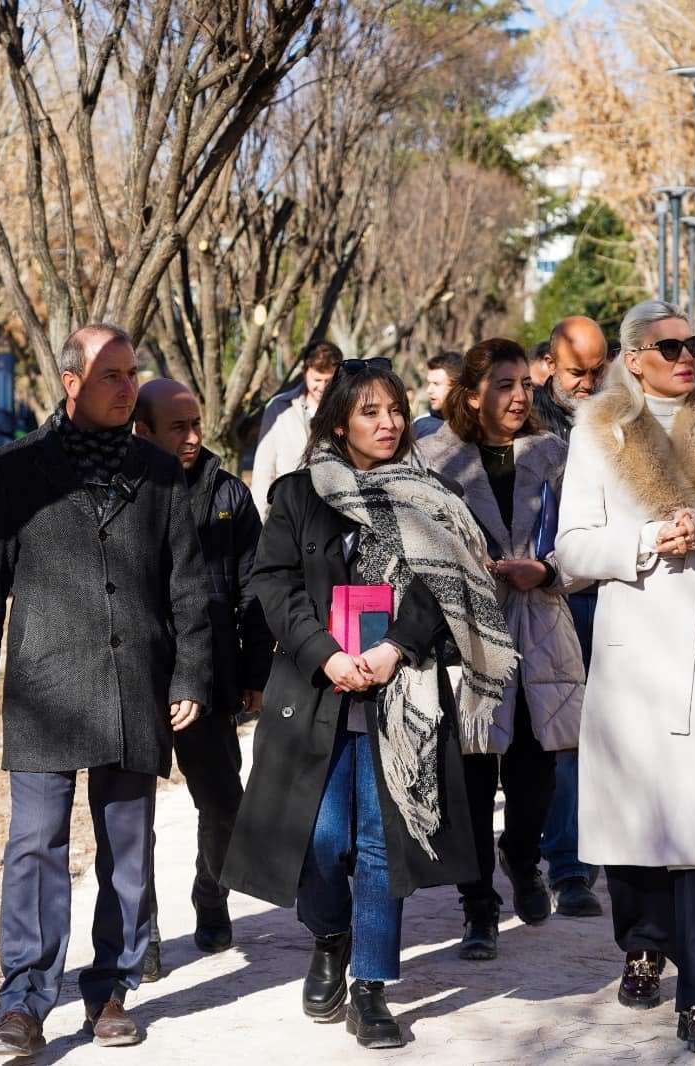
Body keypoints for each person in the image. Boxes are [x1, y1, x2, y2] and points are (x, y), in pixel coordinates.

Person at [221, 358, 515, 1050]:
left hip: (400, 694)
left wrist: (396, 650)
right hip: (316, 690)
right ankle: (329, 937)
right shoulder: (299, 495)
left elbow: (446, 590)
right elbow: (275, 584)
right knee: (321, 840)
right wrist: (324, 652)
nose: (386, 425)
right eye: (369, 413)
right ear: (339, 422)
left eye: (394, 411)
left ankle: (371, 988)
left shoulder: (433, 494)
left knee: (383, 844)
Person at [0, 324, 212, 1057]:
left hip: (136, 685)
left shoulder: (160, 473)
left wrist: (190, 672)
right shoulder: (16, 469)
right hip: (44, 686)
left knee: (128, 841)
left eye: (132, 374)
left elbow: (188, 585)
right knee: (34, 844)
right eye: (111, 376)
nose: (128, 387)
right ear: (71, 382)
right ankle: (23, 1004)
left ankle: (113, 990)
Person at [556, 300, 695, 1056]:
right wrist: (652, 538)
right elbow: (573, 550)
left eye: (693, 343)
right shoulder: (597, 429)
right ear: (634, 358)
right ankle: (644, 940)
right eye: (670, 346)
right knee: (638, 828)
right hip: (633, 651)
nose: (686, 355)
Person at [417, 338, 587, 959]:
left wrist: (544, 571)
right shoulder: (431, 457)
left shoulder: (553, 454)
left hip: (537, 623)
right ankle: (478, 908)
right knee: (468, 770)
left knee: (535, 764)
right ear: (471, 394)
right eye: (504, 386)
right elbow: (410, 543)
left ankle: (521, 854)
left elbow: (585, 541)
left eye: (524, 385)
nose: (520, 397)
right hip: (463, 631)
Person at [133, 378, 271, 961]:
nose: (193, 438)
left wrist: (255, 672)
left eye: (197, 424)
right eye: (177, 427)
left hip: (210, 677)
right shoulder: (121, 490)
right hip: (136, 677)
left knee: (222, 803)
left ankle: (211, 895)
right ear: (143, 430)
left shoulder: (227, 494)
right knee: (129, 816)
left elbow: (256, 591)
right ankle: (142, 934)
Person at [530, 315, 609, 919]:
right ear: (550, 366)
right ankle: (549, 860)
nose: (588, 382)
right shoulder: (523, 419)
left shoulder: (619, 419)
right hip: (541, 594)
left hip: (606, 590)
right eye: (578, 372)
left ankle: (577, 862)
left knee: (592, 735)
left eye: (598, 370)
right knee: (553, 738)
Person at [252, 341, 342, 517]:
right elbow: (263, 473)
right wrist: (257, 524)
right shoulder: (278, 408)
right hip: (288, 513)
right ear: (304, 373)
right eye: (316, 380)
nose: (322, 387)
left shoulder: (348, 410)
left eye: (328, 381)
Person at [413, 350, 463, 439]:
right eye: (429, 383)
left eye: (436, 384)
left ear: (456, 387)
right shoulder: (421, 426)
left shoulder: (478, 427)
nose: (429, 390)